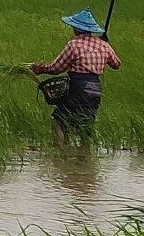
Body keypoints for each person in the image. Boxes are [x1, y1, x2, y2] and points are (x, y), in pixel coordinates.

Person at [29, 9, 122, 146]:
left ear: (77, 29)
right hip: (95, 92)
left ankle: (61, 153)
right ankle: (84, 159)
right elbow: (116, 65)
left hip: (78, 89)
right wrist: (106, 45)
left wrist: (41, 68)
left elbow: (56, 68)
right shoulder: (104, 46)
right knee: (85, 127)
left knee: (57, 120)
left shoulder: (74, 45)